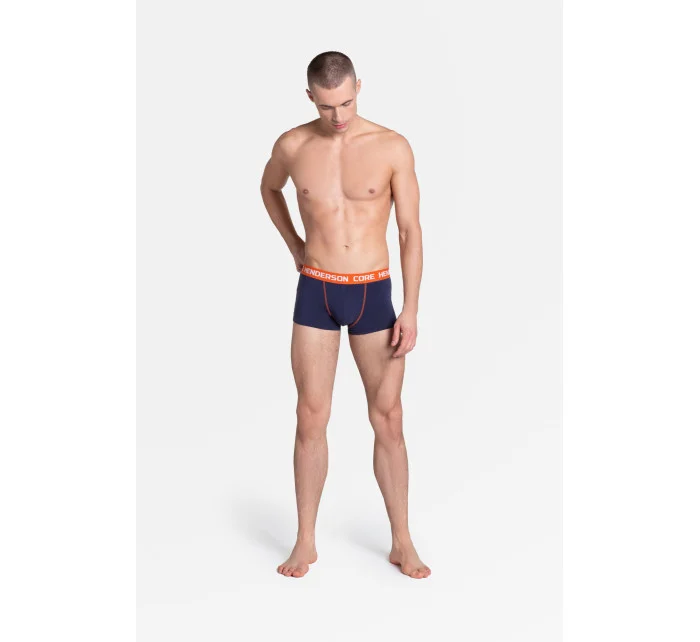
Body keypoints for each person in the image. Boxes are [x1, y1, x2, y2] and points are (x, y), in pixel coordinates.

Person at [259, 51, 430, 580]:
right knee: (310, 416)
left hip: (373, 293)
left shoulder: (391, 146)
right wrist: (295, 245)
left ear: (359, 87)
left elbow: (410, 232)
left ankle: (402, 541)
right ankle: (305, 540)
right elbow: (268, 188)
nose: (338, 116)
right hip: (316, 289)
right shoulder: (293, 145)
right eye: (327, 106)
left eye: (347, 103)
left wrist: (411, 308)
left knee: (389, 418)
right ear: (311, 97)